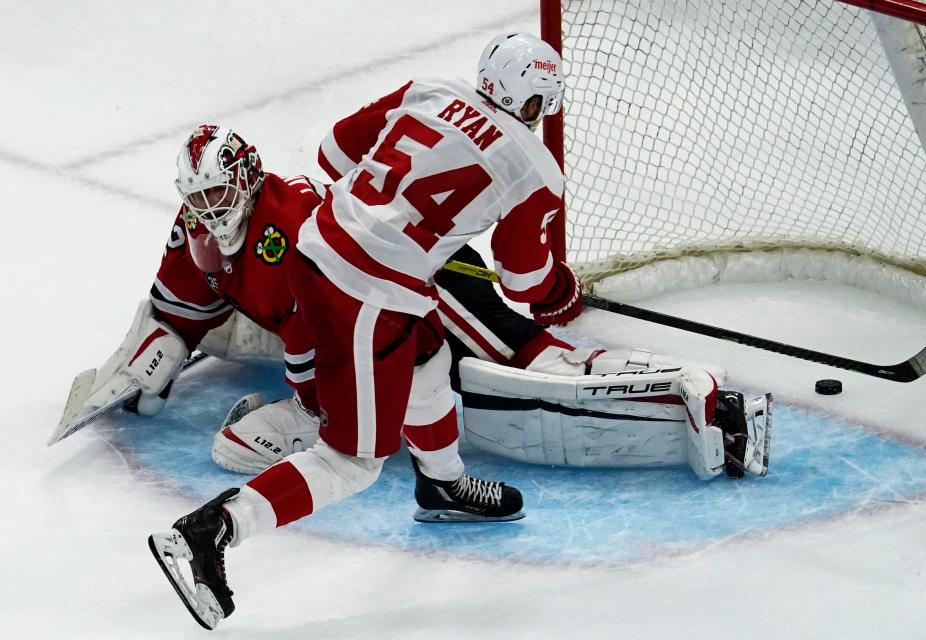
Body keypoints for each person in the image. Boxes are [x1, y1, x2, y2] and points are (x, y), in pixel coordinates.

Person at [147, 33, 771, 630]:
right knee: (352, 463)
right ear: (538, 104)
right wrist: (563, 296)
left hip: (321, 249)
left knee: (426, 360)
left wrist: (393, 212)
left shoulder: (427, 89)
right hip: (366, 290)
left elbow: (334, 152)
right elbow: (525, 280)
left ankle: (442, 483)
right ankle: (209, 532)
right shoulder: (534, 164)